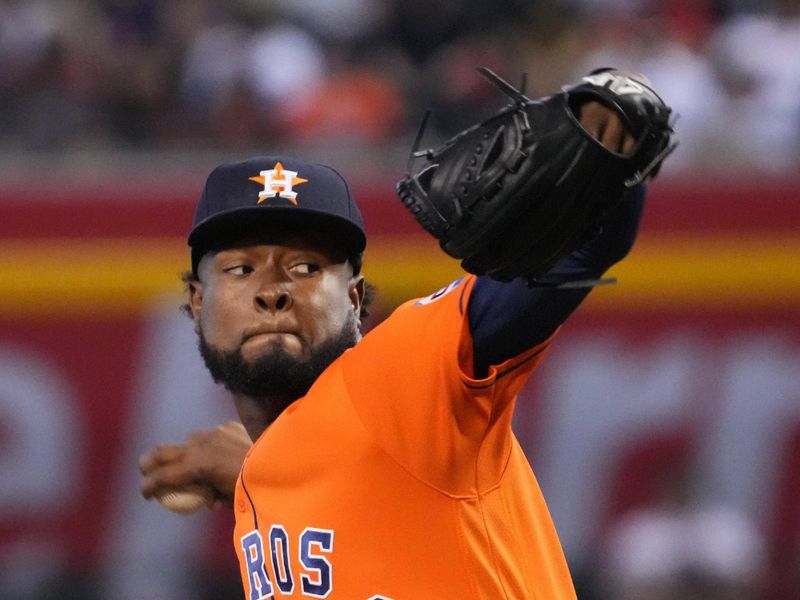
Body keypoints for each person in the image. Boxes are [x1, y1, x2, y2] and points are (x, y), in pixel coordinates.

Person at [140, 94, 646, 598]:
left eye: (306, 268)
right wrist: (248, 469)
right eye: (241, 270)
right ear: (197, 301)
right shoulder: (269, 469)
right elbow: (332, 463)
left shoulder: (398, 379)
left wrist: (608, 139)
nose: (273, 291)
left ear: (356, 300)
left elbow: (581, 246)